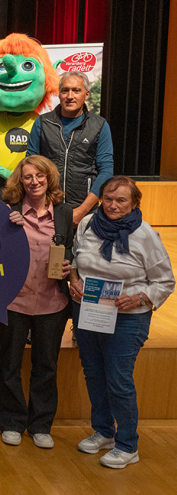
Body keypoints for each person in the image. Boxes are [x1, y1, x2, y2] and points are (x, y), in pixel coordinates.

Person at [69, 176, 174, 469]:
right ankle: (104, 432)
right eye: (108, 199)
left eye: (121, 200)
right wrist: (74, 280)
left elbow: (165, 281)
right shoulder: (87, 224)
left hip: (127, 318)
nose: (113, 205)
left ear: (134, 203)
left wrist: (139, 298)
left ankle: (127, 445)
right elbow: (75, 260)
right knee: (94, 373)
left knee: (118, 380)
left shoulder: (145, 234)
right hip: (89, 310)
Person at [0, 155, 74, 449]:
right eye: (28, 176)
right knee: (10, 364)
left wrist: (69, 265)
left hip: (52, 302)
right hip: (14, 301)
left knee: (46, 366)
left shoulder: (64, 212)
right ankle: (12, 422)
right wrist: (6, 226)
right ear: (20, 180)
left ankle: (41, 425)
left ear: (49, 177)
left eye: (40, 175)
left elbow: (71, 249)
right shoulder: (9, 210)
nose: (34, 181)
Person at [27, 71, 114, 226]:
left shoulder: (99, 126)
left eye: (76, 90)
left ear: (86, 94)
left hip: (86, 212)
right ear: (59, 94)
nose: (70, 96)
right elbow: (30, 166)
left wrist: (81, 211)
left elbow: (106, 171)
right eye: (65, 90)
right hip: (47, 210)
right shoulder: (42, 123)